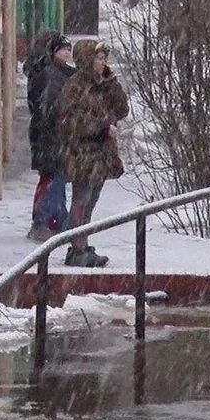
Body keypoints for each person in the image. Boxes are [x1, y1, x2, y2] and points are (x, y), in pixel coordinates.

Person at [58, 40, 129, 267]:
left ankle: (83, 243)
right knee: (82, 199)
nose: (102, 63)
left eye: (104, 59)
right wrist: (102, 126)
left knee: (92, 200)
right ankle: (77, 247)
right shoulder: (75, 86)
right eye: (99, 58)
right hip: (83, 153)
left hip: (100, 154)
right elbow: (72, 121)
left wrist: (111, 82)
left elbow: (121, 109)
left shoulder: (104, 85)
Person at [24, 31, 74, 241]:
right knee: (54, 178)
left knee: (55, 177)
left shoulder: (54, 73)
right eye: (64, 50)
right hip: (52, 138)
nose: (68, 54)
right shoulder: (52, 76)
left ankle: (57, 220)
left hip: (50, 138)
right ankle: (45, 221)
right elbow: (49, 110)